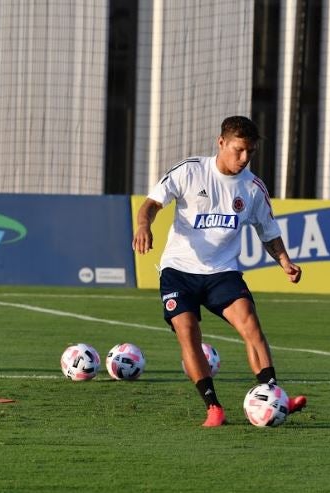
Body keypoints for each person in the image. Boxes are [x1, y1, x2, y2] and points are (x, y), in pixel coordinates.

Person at [132, 116, 307, 426]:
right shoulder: (190, 171)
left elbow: (268, 231)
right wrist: (144, 226)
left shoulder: (252, 188)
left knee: (251, 325)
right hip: (179, 270)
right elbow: (151, 204)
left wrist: (284, 261)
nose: (244, 158)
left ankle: (274, 395)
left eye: (250, 152)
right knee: (188, 333)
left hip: (222, 271)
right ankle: (213, 407)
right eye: (239, 150)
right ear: (221, 143)